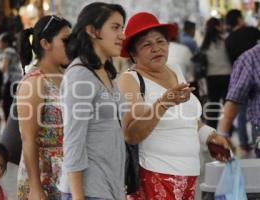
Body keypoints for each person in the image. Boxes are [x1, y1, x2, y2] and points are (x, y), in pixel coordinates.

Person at [118, 12, 231, 200]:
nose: (156, 48)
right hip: (156, 174)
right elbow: (131, 135)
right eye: (147, 44)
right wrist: (163, 103)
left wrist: (209, 135)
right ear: (133, 53)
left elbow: (187, 118)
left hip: (190, 172)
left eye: (161, 41)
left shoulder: (175, 70)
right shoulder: (129, 80)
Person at [59, 2, 126, 200]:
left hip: (108, 187)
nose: (122, 35)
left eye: (122, 28)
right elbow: (73, 142)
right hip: (88, 191)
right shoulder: (80, 75)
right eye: (115, 28)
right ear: (92, 31)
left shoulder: (106, 72)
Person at [16, 15, 71, 200]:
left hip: (70, 170)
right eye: (65, 40)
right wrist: (35, 188)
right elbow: (28, 139)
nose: (72, 45)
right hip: (46, 174)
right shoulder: (35, 82)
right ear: (45, 44)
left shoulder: (67, 74)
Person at [224, 9, 260, 154]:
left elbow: (230, 60)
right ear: (239, 19)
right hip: (255, 77)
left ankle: (244, 143)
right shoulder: (252, 31)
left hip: (240, 77)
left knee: (240, 111)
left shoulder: (228, 39)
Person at [219, 44, 260, 158]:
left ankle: (243, 143)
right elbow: (234, 99)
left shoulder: (249, 58)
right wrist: (223, 135)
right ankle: (243, 143)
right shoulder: (250, 59)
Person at [200, 17, 231, 129]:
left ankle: (212, 128)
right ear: (218, 26)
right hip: (227, 75)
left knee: (214, 103)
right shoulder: (226, 39)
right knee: (228, 104)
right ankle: (228, 128)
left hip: (211, 77)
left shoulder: (205, 43)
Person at [0, 32, 23, 120]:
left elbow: (3, 67)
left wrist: (0, 60)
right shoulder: (12, 50)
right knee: (12, 104)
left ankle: (10, 127)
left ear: (5, 43)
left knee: (8, 105)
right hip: (15, 80)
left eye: (0, 42)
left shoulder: (7, 51)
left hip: (12, 81)